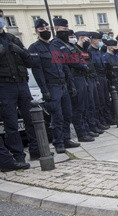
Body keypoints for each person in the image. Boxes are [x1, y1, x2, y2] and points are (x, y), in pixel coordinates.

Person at [29, 18, 80, 154]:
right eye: (42, 30)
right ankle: (58, 142)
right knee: (56, 116)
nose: (45, 31)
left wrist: (70, 84)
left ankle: (66, 138)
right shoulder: (34, 48)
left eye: (47, 29)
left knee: (67, 114)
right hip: (51, 86)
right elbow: (37, 71)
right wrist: (44, 90)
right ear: (36, 31)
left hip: (63, 85)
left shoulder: (54, 46)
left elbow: (64, 66)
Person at [0, 12, 35, 165]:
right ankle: (18, 156)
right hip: (5, 86)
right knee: (11, 124)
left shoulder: (13, 39)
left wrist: (21, 51)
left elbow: (30, 62)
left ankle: (36, 150)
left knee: (31, 119)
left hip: (22, 84)